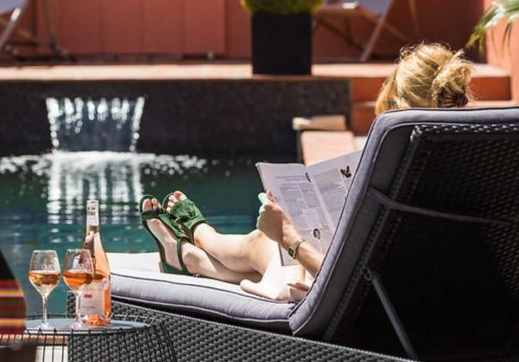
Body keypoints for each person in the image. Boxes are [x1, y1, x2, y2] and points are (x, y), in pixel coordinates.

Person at [140, 42, 473, 301]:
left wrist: (288, 236)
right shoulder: (475, 168)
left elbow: (350, 283)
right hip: (446, 306)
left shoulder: (399, 181)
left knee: (266, 241)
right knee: (273, 247)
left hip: (377, 312)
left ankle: (202, 239)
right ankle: (191, 258)